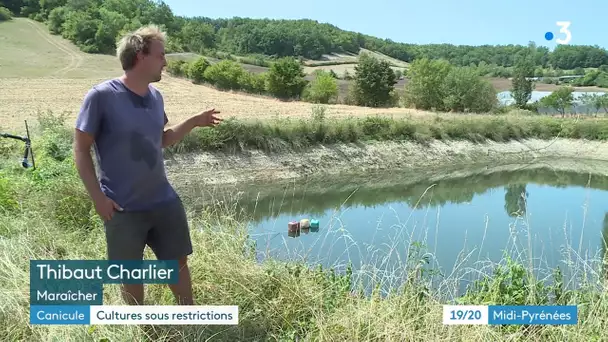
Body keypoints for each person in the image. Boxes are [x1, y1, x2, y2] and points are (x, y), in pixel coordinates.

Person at [73, 25, 222, 305]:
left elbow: (161, 140)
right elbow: (80, 149)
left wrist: (193, 121)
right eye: (161, 55)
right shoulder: (101, 96)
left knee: (177, 261)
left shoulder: (156, 98)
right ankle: (141, 326)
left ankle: (188, 315)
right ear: (141, 56)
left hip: (163, 201)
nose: (165, 62)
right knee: (130, 272)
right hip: (122, 207)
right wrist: (98, 199)